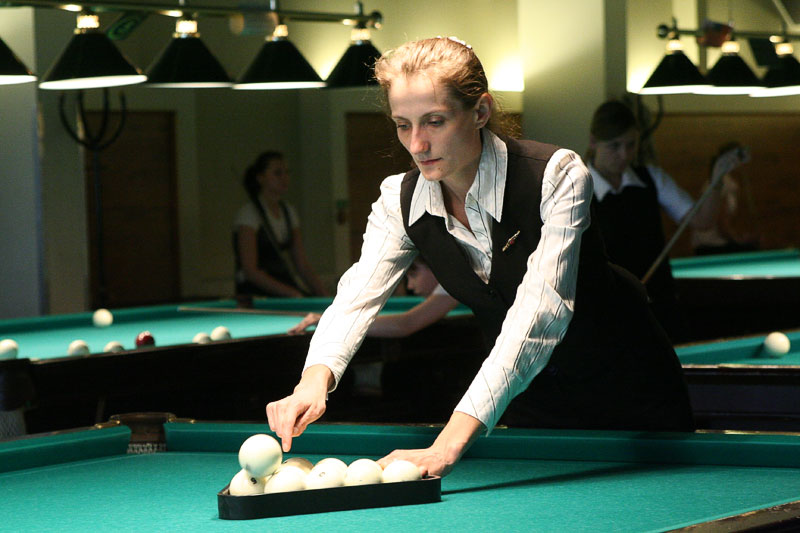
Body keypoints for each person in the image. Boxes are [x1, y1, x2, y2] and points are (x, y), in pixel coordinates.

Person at [267, 37, 694, 479]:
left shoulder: (557, 174)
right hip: (530, 396)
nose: (417, 144)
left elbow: (539, 314)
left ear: (480, 111)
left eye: (434, 121)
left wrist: (446, 444)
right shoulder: (399, 199)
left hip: (631, 388)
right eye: (402, 125)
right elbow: (357, 295)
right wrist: (312, 381)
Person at [586, 101, 748, 341]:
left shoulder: (651, 178)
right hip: (606, 312)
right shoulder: (577, 187)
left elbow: (702, 221)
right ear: (593, 142)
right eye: (614, 146)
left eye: (631, 145)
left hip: (660, 306)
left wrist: (717, 180)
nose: (624, 155)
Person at [233, 151, 329, 298]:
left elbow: (302, 265)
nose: (285, 178)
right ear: (260, 178)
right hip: (254, 293)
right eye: (277, 173)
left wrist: (325, 296)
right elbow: (250, 271)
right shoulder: (248, 214)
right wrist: (291, 293)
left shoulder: (289, 212)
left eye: (287, 172)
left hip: (283, 286)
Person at [287, 258, 459, 337]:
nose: (409, 286)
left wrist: (332, 321)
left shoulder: (456, 280)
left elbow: (405, 323)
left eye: (413, 274)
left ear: (434, 266)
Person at [691, 143, 760, 256]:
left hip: (709, 245)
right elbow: (721, 222)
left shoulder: (718, 182)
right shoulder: (723, 183)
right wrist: (739, 241)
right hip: (712, 247)